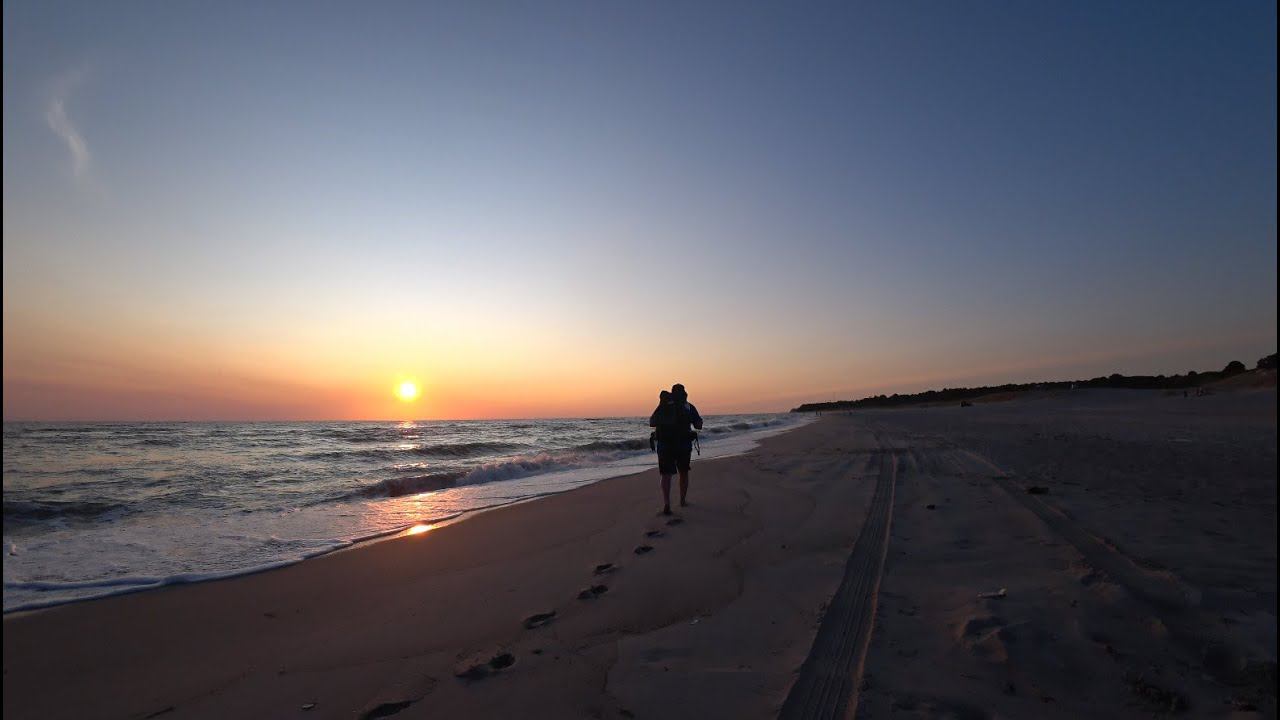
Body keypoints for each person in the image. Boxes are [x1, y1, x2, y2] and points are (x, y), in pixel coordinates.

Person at [649, 383, 703, 515]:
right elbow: (698, 425)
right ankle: (682, 501)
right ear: (684, 393)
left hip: (665, 445)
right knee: (683, 473)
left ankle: (667, 504)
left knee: (666, 475)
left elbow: (652, 422)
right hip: (683, 445)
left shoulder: (664, 406)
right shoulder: (688, 406)